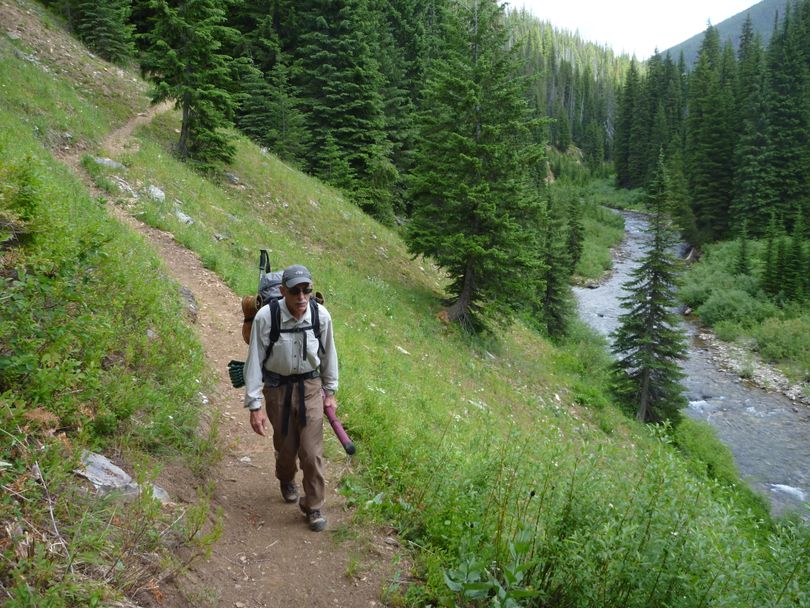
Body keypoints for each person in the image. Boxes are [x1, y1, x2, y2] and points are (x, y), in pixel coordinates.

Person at [243, 264, 339, 531]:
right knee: (286, 450)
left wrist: (329, 393)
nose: (301, 297)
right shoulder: (266, 317)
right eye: (295, 291)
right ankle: (286, 478)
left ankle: (313, 505)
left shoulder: (321, 317)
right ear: (283, 291)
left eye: (306, 290)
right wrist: (255, 405)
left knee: (311, 452)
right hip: (277, 390)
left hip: (310, 387)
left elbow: (329, 356)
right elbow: (254, 362)